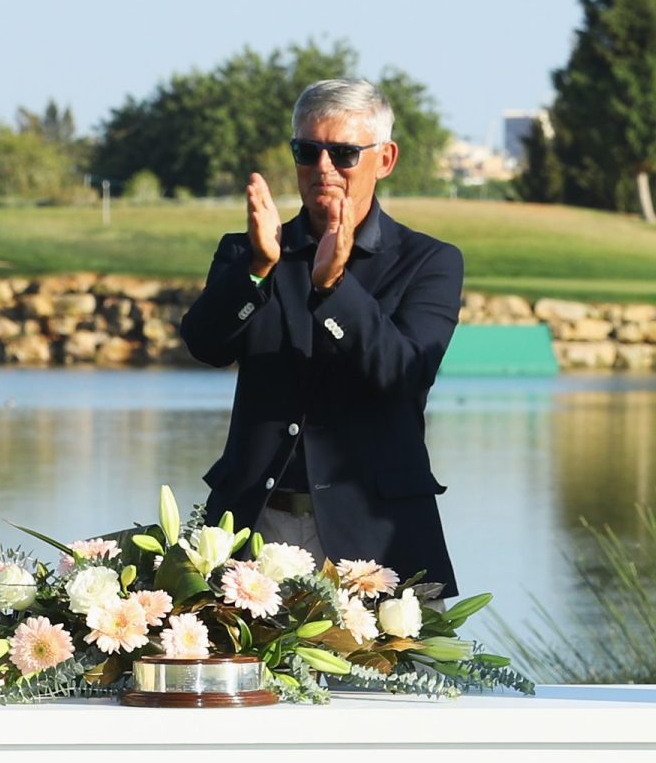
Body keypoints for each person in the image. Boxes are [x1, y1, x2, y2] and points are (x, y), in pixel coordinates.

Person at [178, 78, 462, 595]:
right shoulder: (253, 252)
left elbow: (403, 374)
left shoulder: (429, 262)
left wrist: (334, 288)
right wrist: (260, 269)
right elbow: (205, 344)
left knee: (388, 680)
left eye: (345, 153)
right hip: (253, 531)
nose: (324, 168)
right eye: (308, 151)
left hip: (378, 540)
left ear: (385, 158)